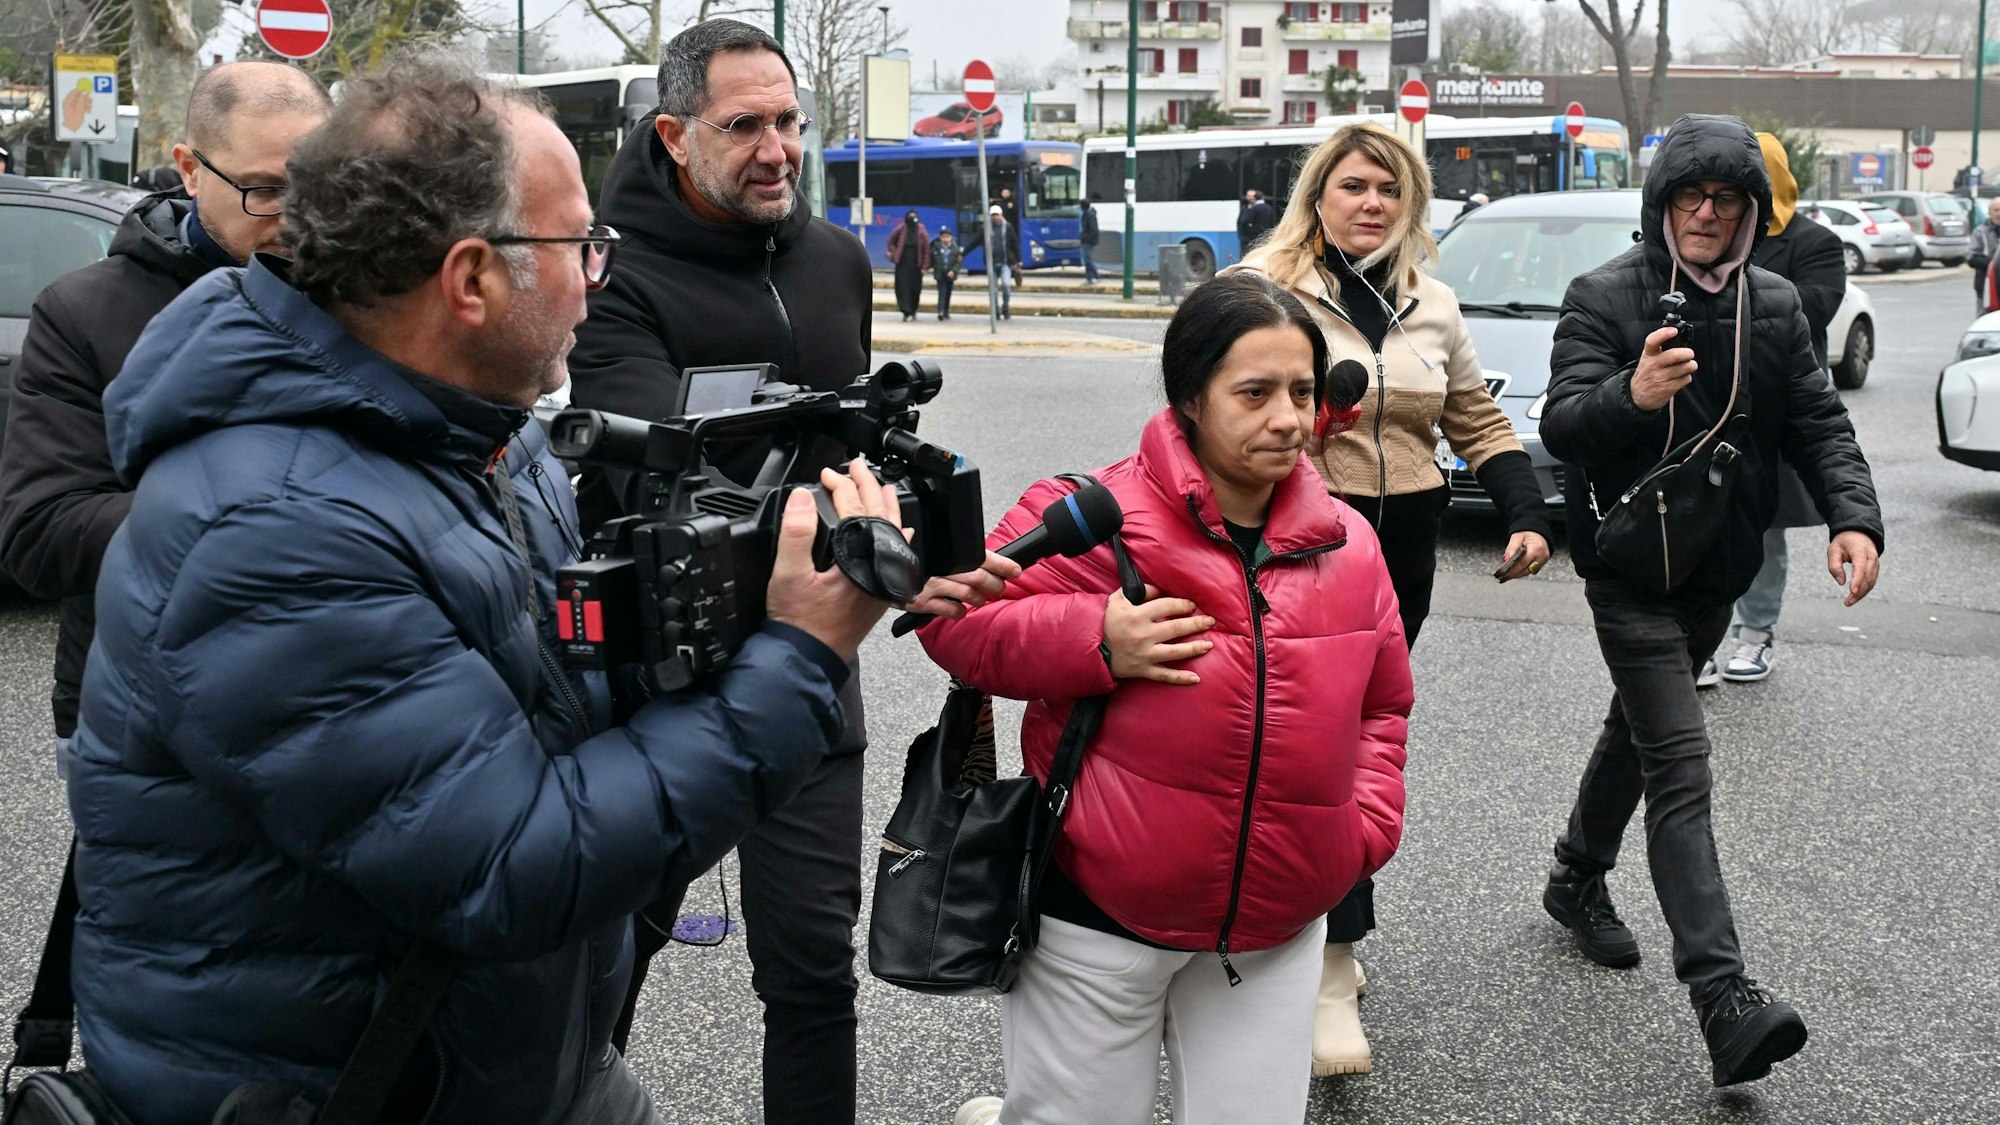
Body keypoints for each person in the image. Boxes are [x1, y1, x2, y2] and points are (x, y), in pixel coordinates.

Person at [65, 54, 912, 1125]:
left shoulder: (477, 436)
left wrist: (743, 600)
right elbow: (513, 865)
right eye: (579, 247)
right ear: (470, 281)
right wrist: (800, 654)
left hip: (505, 1061)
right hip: (357, 1089)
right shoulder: (274, 529)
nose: (598, 277)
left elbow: (566, 705)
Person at [566, 20, 1015, 1123]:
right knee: (599, 968)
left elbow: (851, 459)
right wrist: (867, 561)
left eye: (790, 122)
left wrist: (905, 559)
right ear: (673, 135)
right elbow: (649, 491)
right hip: (655, 680)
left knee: (811, 973)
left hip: (811, 661)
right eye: (743, 126)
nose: (777, 149)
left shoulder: (832, 259)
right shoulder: (608, 270)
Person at [928, 273, 1412, 1125]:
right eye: (1254, 393)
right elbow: (956, 624)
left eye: (1302, 391)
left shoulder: (1352, 543)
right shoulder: (1088, 515)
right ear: (1190, 395)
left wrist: (1358, 831)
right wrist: (1094, 638)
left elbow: (1383, 706)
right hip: (1096, 922)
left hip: (1278, 928)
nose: (1288, 419)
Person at [1540, 113, 1883, 1087]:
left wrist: (1855, 519)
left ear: (1747, 213)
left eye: (1723, 199)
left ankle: (1573, 874)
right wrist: (1634, 396)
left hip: (1715, 567)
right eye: (1687, 196)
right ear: (1659, 205)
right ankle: (1722, 997)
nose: (1703, 213)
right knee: (1680, 762)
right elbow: (1564, 424)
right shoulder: (1602, 295)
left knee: (1638, 734)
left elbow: (1817, 422)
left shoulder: (1772, 305)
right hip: (1625, 570)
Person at [1226, 120, 1552, 1077]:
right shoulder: (1263, 287)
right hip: (1291, 537)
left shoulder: (1434, 302)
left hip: (1401, 544)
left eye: (1390, 189)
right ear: (1318, 195)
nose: (1371, 203)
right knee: (1303, 734)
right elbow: (1204, 401)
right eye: (1353, 185)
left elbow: (1475, 415)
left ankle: (1322, 933)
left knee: (1362, 735)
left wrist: (1526, 511)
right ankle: (1329, 962)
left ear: (1409, 205)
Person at [0, 60, 329, 767]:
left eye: (319, 188)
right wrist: (270, 514)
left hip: (331, 693)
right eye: (266, 190)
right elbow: (39, 532)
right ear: (188, 168)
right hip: (142, 707)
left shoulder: (368, 293)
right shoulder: (83, 312)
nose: (297, 220)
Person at [1696, 133, 1847, 688]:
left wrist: (1726, 288)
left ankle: (1756, 634)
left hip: (1774, 414)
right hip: (1706, 406)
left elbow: (1816, 308)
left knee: (1763, 530)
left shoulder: (1816, 243)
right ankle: (1703, 638)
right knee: (1698, 524)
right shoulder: (1710, 231)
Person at [966, 203, 1019, 319]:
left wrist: (1018, 260)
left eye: (997, 215)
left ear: (1001, 215)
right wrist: (963, 253)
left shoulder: (1008, 227)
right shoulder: (985, 228)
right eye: (993, 215)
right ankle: (996, 311)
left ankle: (1006, 307)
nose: (995, 217)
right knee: (993, 290)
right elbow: (975, 242)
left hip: (1005, 262)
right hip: (991, 264)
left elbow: (1014, 244)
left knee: (1006, 286)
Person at [887, 209, 930, 320]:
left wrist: (925, 266)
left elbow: (926, 249)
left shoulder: (921, 231)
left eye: (914, 217)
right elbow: (891, 241)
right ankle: (906, 311)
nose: (912, 220)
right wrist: (893, 253)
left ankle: (913, 309)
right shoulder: (901, 228)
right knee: (902, 288)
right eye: (910, 217)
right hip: (902, 263)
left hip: (916, 265)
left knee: (915, 289)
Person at [1967, 197, 2000, 312]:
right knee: (1986, 317)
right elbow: (1971, 258)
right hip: (1986, 283)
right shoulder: (1981, 232)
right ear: (1989, 212)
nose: (1999, 213)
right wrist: (1993, 263)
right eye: (1996, 210)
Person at [931, 223, 963, 319]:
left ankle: (946, 311)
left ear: (951, 238)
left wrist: (954, 271)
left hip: (950, 274)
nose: (945, 239)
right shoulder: (936, 248)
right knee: (942, 292)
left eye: (947, 237)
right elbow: (932, 260)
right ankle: (940, 311)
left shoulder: (955, 249)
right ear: (940, 238)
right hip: (940, 273)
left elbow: (959, 261)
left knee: (948, 292)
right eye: (943, 237)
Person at [1237, 188, 1276, 252]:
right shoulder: (1269, 208)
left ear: (1255, 198)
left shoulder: (1254, 208)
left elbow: (1245, 221)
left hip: (1254, 238)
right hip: (1266, 236)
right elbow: (1273, 222)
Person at [1079, 195, 1101, 284]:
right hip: (1087, 240)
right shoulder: (1088, 214)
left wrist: (1086, 238)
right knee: (1087, 259)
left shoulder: (1089, 215)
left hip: (1089, 241)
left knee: (1088, 259)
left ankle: (1095, 276)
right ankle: (1090, 278)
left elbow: (1093, 229)